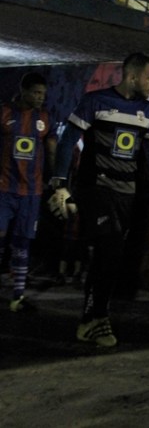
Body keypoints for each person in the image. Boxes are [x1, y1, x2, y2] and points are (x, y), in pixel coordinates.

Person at [47, 52, 149, 347]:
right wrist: (61, 185)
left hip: (126, 194)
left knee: (110, 256)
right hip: (95, 189)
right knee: (110, 247)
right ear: (131, 77)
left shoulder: (148, 112)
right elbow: (66, 141)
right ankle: (94, 319)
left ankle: (93, 318)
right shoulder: (95, 101)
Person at [0, 73, 56, 312]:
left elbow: (52, 150)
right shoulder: (4, 113)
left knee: (23, 244)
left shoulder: (44, 118)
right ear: (23, 91)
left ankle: (18, 296)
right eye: (35, 92)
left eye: (43, 94)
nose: (40, 98)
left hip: (31, 193)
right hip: (4, 189)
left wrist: (54, 182)